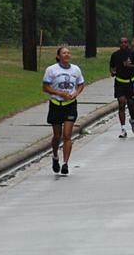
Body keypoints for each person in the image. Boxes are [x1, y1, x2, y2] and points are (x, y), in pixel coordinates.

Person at [42, 47, 85, 176]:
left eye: (68, 53)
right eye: (64, 53)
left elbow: (81, 84)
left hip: (70, 105)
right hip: (56, 104)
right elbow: (45, 87)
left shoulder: (75, 69)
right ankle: (55, 156)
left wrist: (76, 93)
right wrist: (59, 92)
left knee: (67, 135)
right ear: (59, 56)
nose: (66, 55)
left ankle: (65, 163)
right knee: (57, 136)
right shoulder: (51, 70)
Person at [109, 37, 134, 138]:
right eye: (121, 42)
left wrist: (130, 66)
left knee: (131, 105)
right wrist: (112, 72)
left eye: (125, 42)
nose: (123, 44)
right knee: (121, 103)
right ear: (119, 44)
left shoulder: (133, 53)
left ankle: (132, 119)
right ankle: (123, 129)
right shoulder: (115, 55)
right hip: (120, 82)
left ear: (128, 43)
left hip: (131, 82)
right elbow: (111, 66)